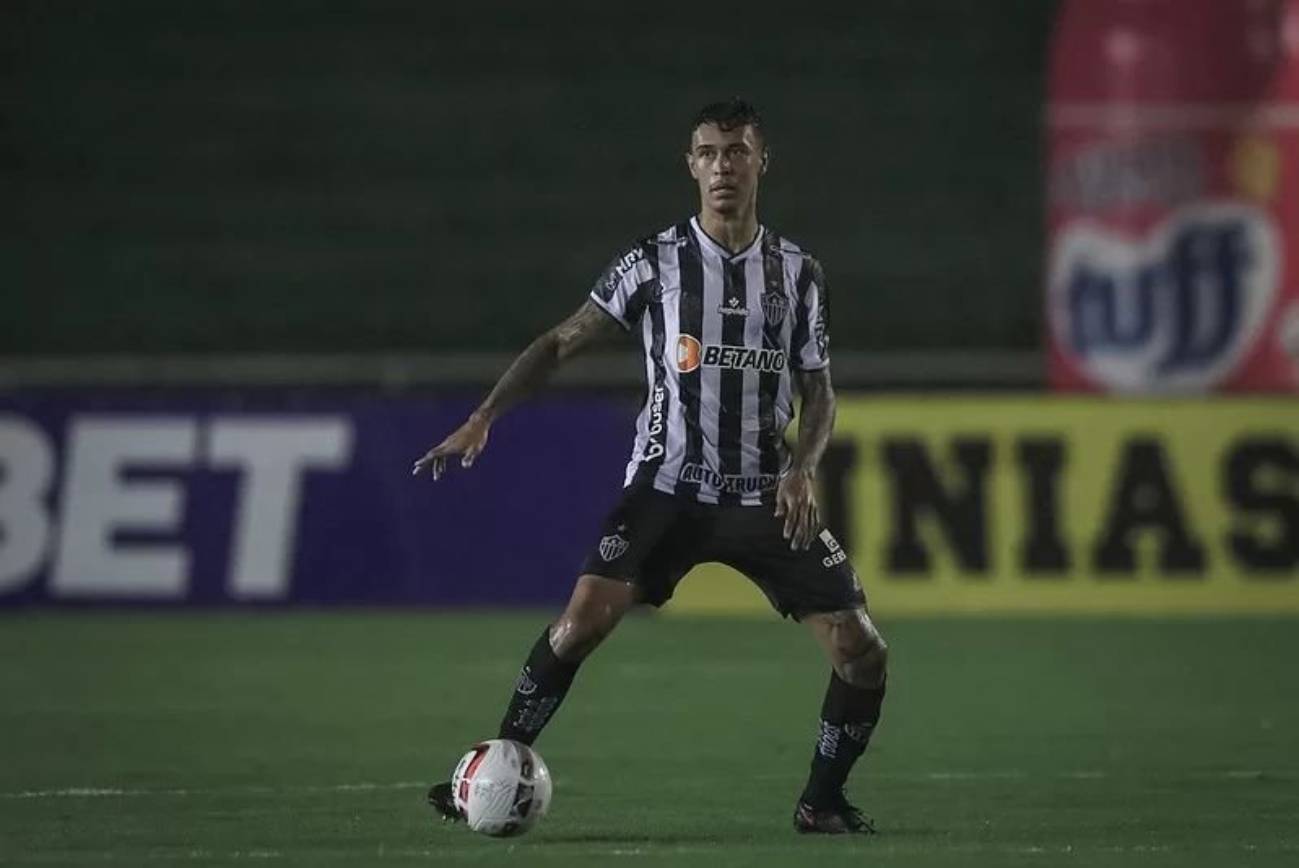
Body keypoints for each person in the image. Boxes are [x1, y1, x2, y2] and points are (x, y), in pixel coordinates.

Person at [413, 98, 888, 834]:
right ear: (690, 166)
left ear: (762, 162)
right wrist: (484, 417)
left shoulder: (798, 274)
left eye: (736, 151)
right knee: (579, 625)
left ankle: (820, 800)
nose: (722, 166)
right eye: (708, 153)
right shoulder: (653, 261)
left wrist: (803, 466)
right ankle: (489, 769)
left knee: (860, 651)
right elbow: (560, 342)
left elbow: (817, 388)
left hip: (763, 494)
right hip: (663, 490)